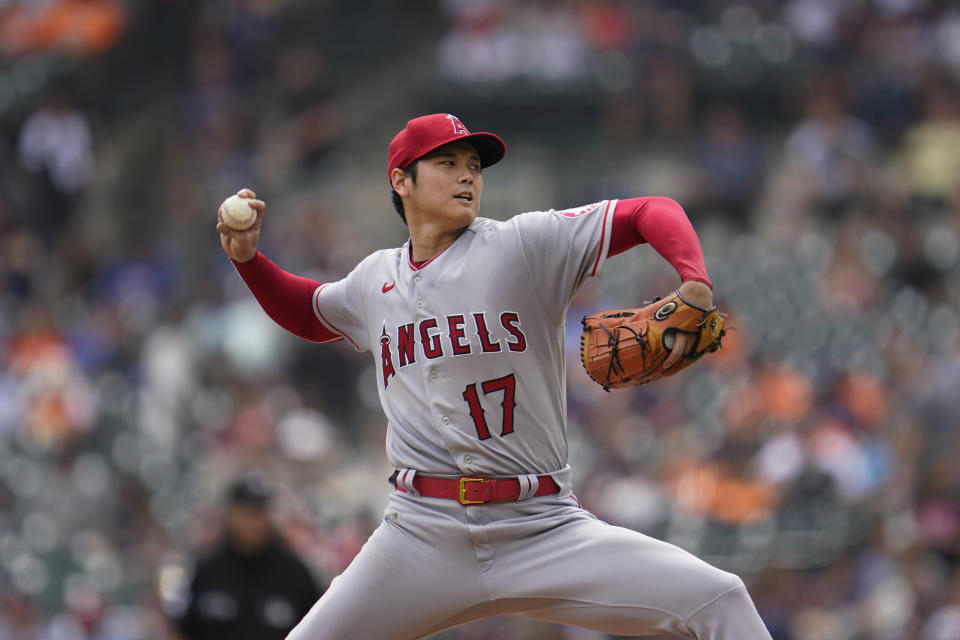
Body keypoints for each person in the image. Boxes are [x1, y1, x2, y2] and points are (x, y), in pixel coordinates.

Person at [217, 113, 772, 639]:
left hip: (542, 526)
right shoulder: (374, 279)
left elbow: (650, 210)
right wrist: (248, 260)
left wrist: (694, 281)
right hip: (420, 533)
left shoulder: (522, 245)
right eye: (448, 163)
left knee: (720, 598)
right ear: (400, 181)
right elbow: (310, 312)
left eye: (475, 166)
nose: (467, 175)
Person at [168, 471, 322, 640]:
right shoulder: (205, 570)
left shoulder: (296, 574)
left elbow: (320, 630)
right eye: (247, 512)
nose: (254, 522)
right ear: (230, 513)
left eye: (260, 512)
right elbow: (182, 630)